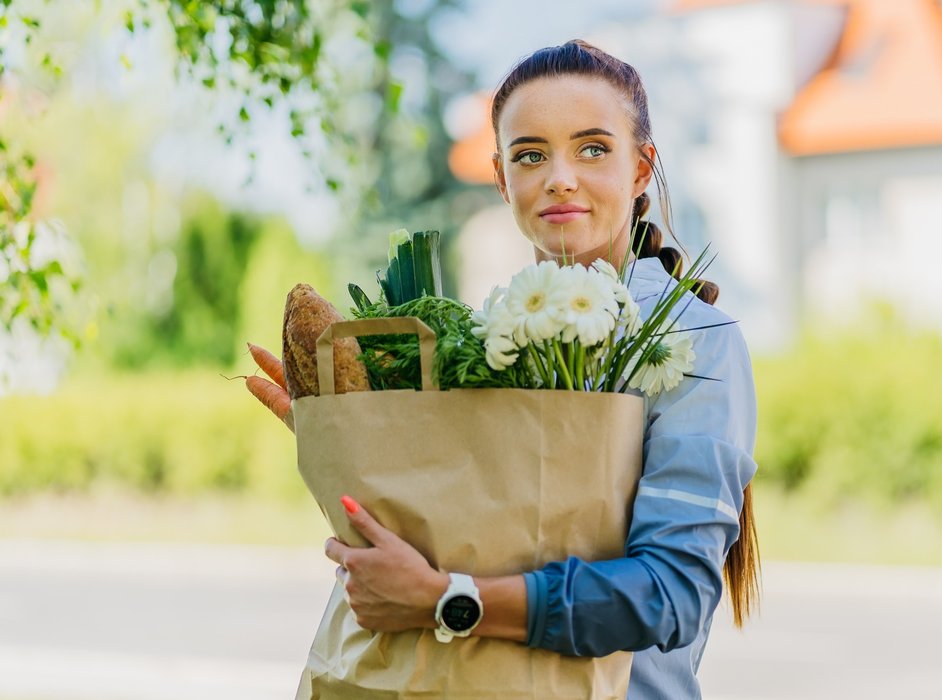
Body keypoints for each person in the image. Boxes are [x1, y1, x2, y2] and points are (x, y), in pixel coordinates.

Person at [279, 40, 759, 700]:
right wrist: (358, 447)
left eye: (593, 148)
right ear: (502, 178)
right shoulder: (485, 340)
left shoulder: (692, 341)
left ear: (642, 168)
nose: (559, 177)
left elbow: (671, 595)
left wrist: (447, 600)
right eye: (530, 155)